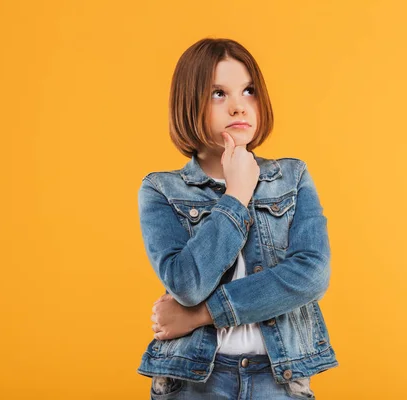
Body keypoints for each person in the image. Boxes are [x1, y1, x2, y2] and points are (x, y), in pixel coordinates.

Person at [137, 37, 338, 400]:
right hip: (195, 380)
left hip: (280, 379)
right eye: (218, 93)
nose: (238, 107)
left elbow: (312, 274)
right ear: (188, 103)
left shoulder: (292, 179)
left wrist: (202, 315)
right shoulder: (160, 190)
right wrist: (236, 196)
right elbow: (187, 283)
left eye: (248, 91)